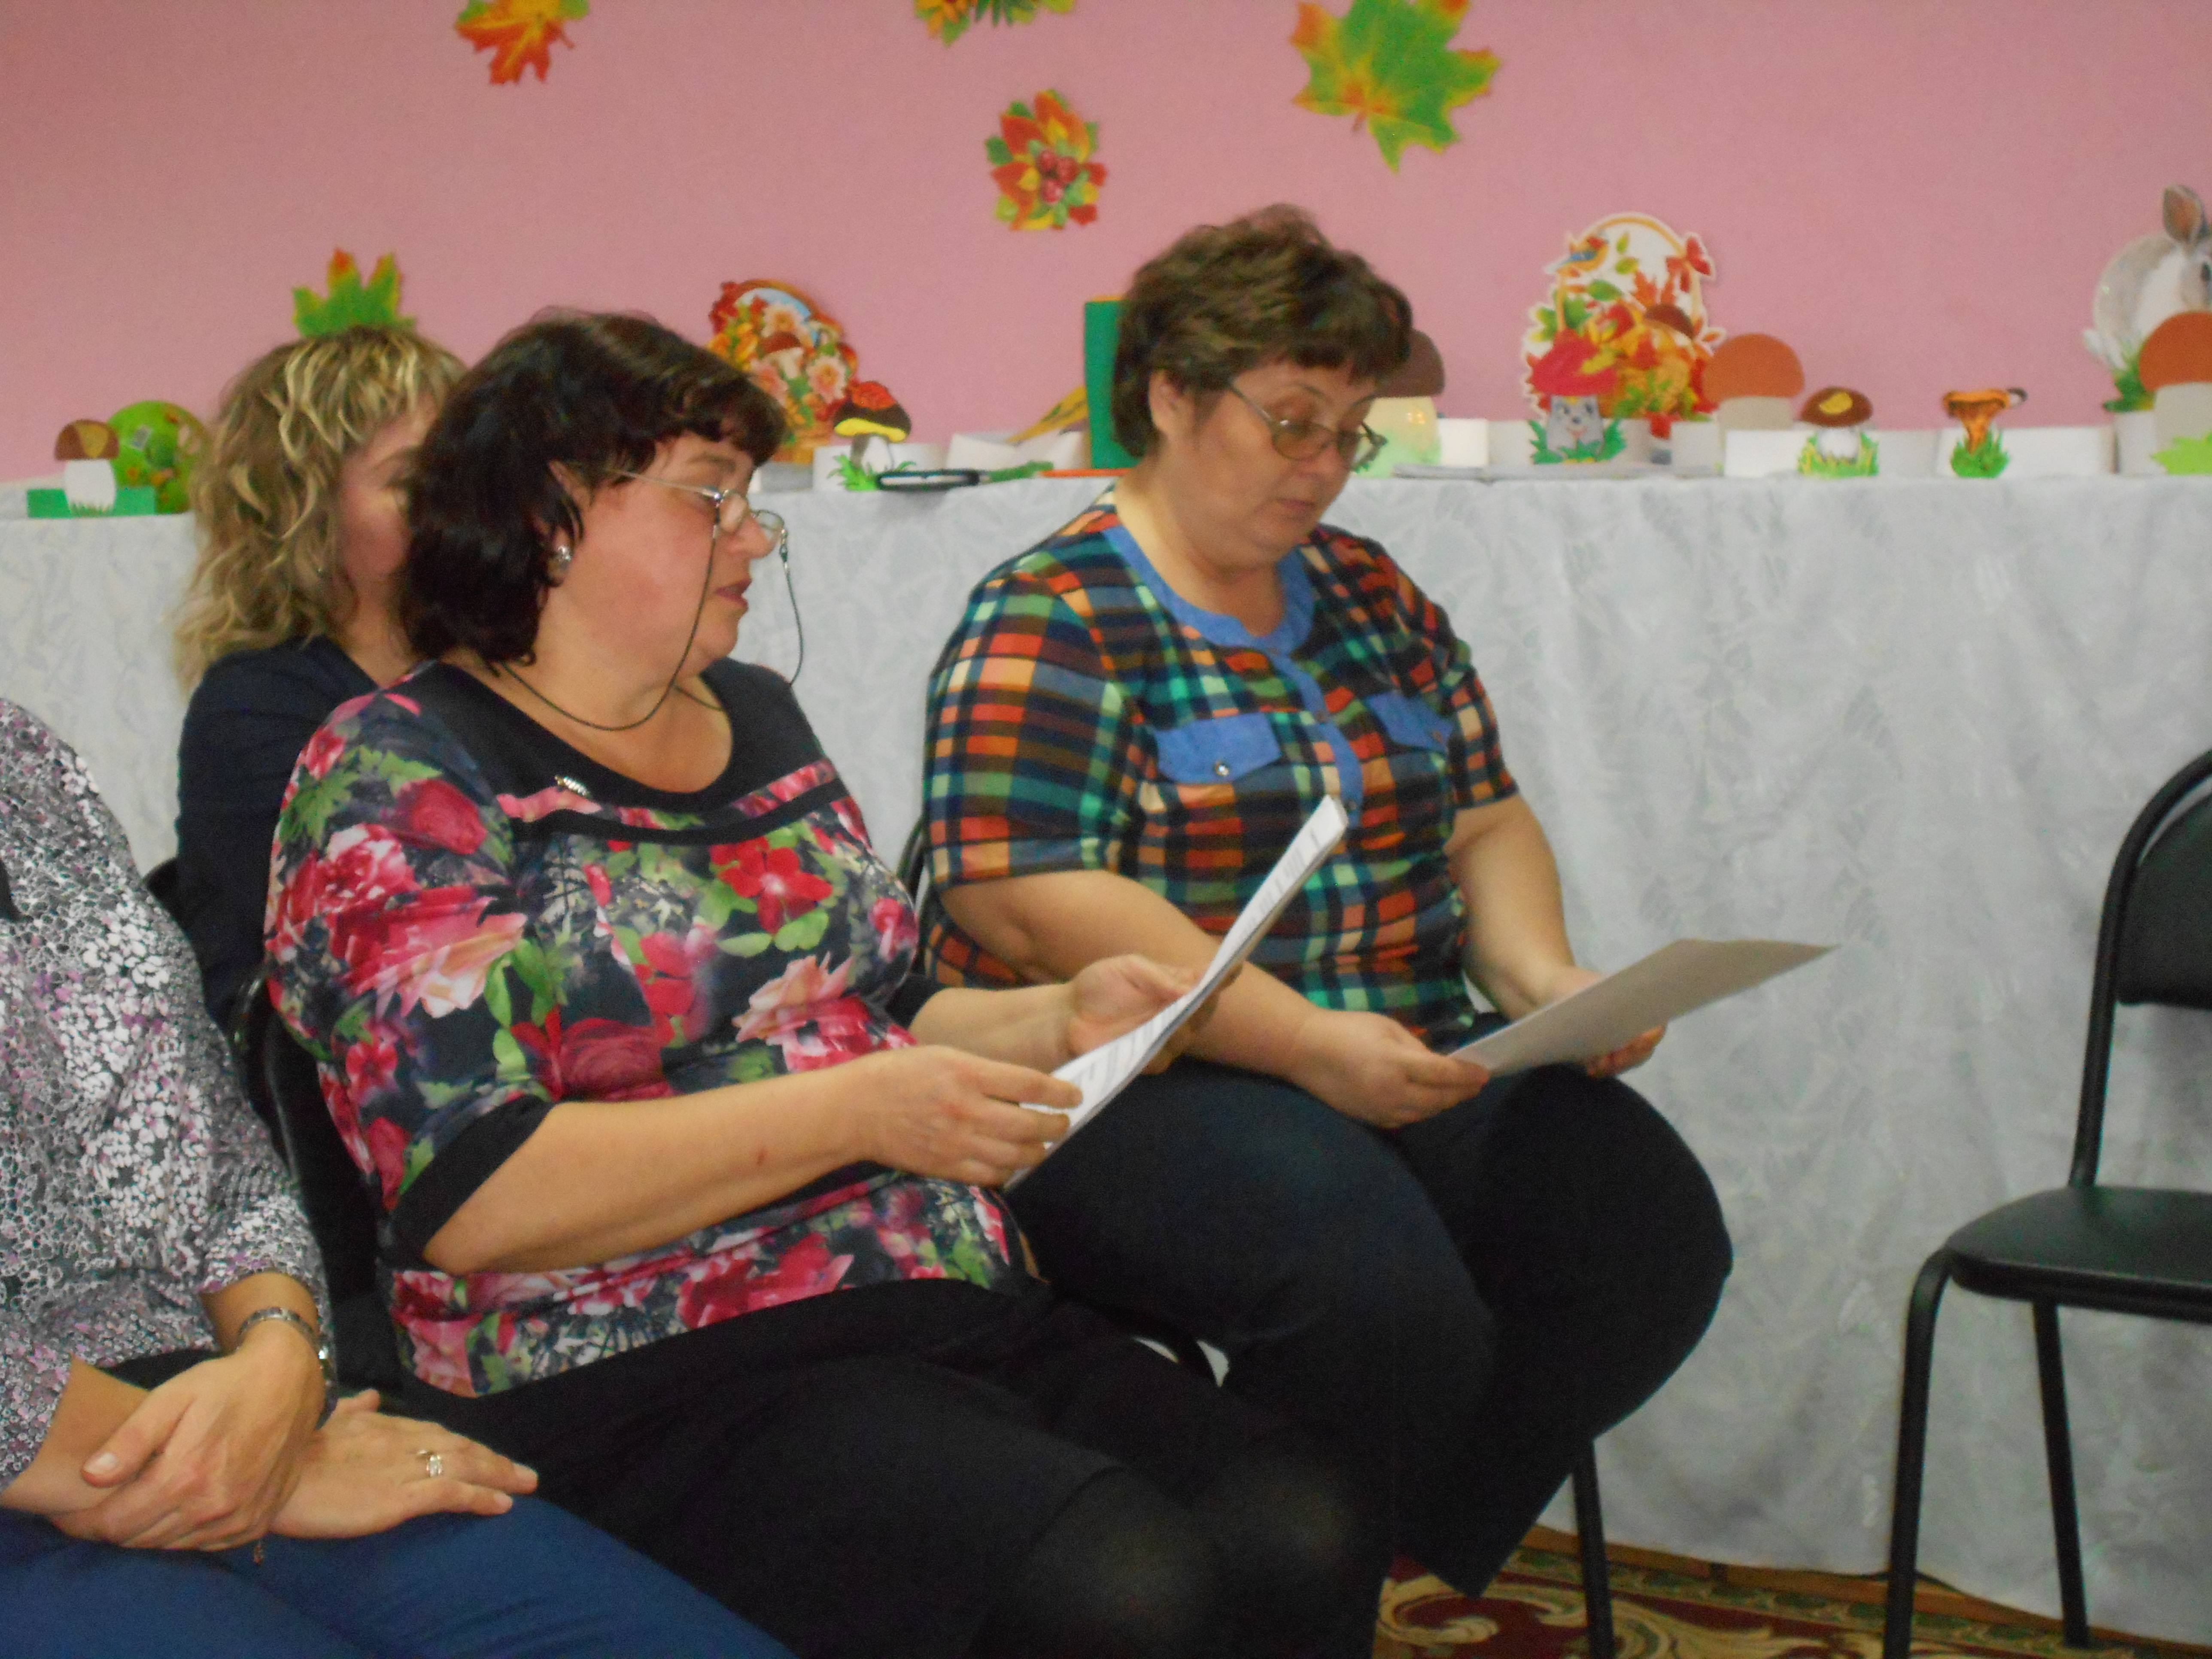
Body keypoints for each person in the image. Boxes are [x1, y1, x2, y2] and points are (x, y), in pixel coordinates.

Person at [263, 311, 1385, 1659]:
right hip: (631, 1362)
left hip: (918, 1285)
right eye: (710, 498)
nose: (756, 538)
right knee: (1121, 1582)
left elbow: (877, 1012)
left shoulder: (756, 716)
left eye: (753, 500)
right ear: (552, 515)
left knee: (1305, 1523)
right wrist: (855, 1113)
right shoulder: (399, 773)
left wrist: (1060, 1020)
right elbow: (472, 1194)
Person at [915, 206, 1735, 1594]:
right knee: (1373, 1290)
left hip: (1396, 1049)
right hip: (1137, 1085)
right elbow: (1024, 898)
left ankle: (1345, 1555)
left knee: (1643, 1235)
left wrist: (1545, 983)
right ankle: (1281, 1576)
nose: (1323, 466)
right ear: (1169, 396)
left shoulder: (1371, 594)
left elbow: (1483, 818)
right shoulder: (1050, 613)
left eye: (1350, 432)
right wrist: (1302, 1044)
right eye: (1291, 421)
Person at [0, 696, 794, 1659]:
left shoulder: (20, 762)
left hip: (200, 1404)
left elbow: (207, 1146)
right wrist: (227, 1464)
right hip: (82, 1454)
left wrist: (282, 1358)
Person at [173, 325, 464, 1029]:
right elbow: (368, 956)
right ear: (306, 516)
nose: (453, 505)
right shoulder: (254, 707)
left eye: (460, 475)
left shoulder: (487, 662)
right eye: (409, 482)